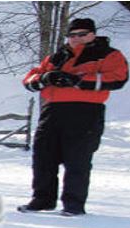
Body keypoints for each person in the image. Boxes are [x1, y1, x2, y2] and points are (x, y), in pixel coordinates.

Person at [18, 18, 127, 216]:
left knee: (77, 159)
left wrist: (78, 80)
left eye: (82, 34)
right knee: (43, 156)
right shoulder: (57, 56)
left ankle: (73, 204)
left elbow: (118, 78)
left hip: (85, 111)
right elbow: (29, 78)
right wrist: (45, 78)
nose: (76, 39)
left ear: (93, 34)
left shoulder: (108, 54)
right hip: (53, 110)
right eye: (72, 35)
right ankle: (42, 199)